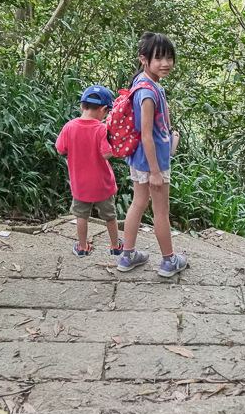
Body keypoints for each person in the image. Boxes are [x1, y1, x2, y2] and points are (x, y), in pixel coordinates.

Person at [117, 32, 187, 276]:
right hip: (152, 162)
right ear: (144, 59)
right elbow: (147, 134)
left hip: (139, 158)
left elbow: (154, 132)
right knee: (161, 211)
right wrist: (156, 172)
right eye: (159, 58)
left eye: (169, 57)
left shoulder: (142, 82)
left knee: (138, 202)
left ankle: (127, 255)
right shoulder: (148, 92)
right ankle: (169, 261)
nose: (166, 63)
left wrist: (171, 141)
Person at [55, 85, 123, 257]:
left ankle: (83, 247)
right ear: (103, 110)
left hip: (80, 184)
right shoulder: (101, 129)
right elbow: (107, 154)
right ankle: (115, 246)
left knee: (81, 216)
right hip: (102, 184)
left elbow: (60, 149)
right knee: (109, 216)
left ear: (81, 107)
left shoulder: (69, 126)